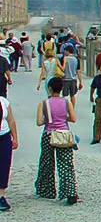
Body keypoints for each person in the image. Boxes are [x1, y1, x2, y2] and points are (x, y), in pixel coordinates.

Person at [35, 77, 78, 205]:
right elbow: (73, 118)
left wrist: (49, 119)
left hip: (49, 134)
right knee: (66, 164)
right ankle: (69, 191)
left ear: (49, 88)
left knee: (46, 163)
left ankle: (47, 190)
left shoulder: (43, 103)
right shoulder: (67, 102)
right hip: (63, 134)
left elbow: (39, 122)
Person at [0, 92, 19, 211]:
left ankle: (1, 195)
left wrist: (15, 138)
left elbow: (11, 119)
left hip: (4, 136)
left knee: (4, 164)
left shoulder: (3, 101)